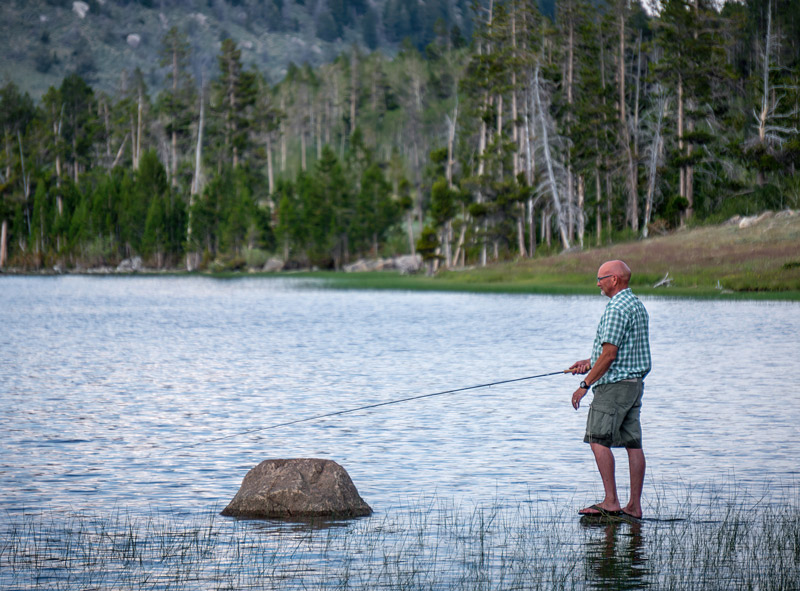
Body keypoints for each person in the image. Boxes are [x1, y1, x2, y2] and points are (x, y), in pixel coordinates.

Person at [569, 260, 651, 519]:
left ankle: (611, 502)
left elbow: (611, 354)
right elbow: (616, 352)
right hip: (634, 385)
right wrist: (588, 363)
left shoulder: (616, 308)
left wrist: (585, 384)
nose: (598, 283)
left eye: (601, 278)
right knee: (633, 444)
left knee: (597, 439)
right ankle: (634, 507)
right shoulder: (636, 305)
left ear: (614, 279)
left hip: (614, 388)